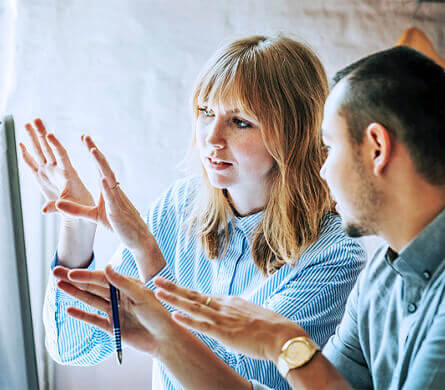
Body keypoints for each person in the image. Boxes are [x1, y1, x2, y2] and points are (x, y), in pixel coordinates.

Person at [21, 35, 365, 389]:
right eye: (206, 112)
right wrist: (76, 230)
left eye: (241, 121)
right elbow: (74, 348)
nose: (212, 138)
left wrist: (149, 257)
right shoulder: (178, 207)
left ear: (294, 133)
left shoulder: (334, 254)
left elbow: (238, 379)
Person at [147, 46, 445, 390]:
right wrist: (163, 340)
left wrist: (283, 342)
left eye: (330, 148)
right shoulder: (379, 279)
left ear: (377, 148)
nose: (322, 170)